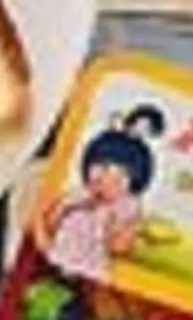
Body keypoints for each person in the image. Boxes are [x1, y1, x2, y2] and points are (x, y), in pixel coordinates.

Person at [39, 107, 162, 284]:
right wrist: (67, 205)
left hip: (91, 270)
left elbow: (118, 246)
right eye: (101, 167)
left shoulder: (124, 207)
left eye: (120, 177)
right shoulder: (78, 194)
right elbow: (50, 222)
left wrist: (130, 227)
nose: (106, 178)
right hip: (55, 258)